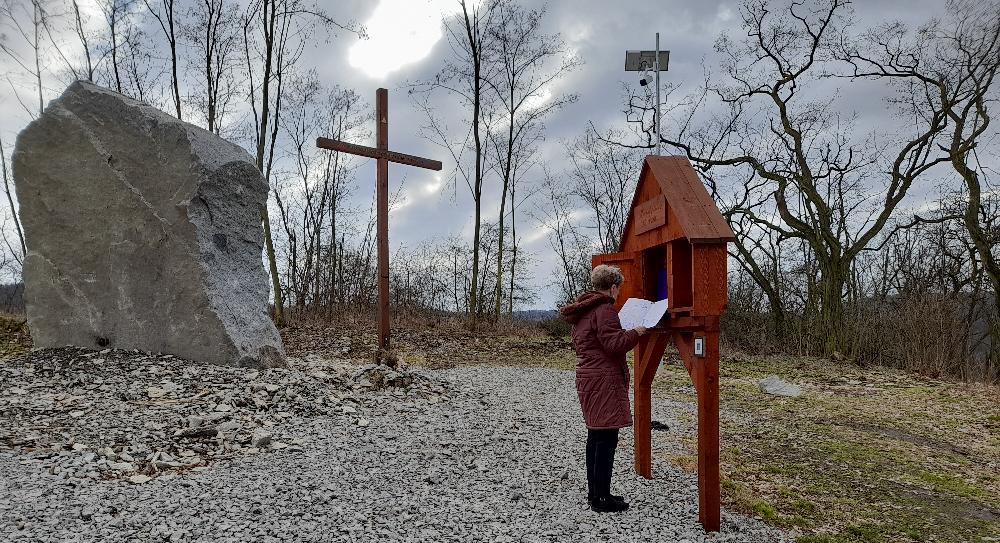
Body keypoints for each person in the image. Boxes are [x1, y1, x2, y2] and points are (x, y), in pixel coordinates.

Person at [559, 264, 648, 513]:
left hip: (588, 377)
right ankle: (602, 499)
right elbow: (613, 344)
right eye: (618, 288)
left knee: (596, 436)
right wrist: (637, 332)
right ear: (612, 287)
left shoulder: (585, 309)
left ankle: (597, 494)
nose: (619, 293)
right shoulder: (605, 309)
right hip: (604, 379)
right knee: (607, 438)